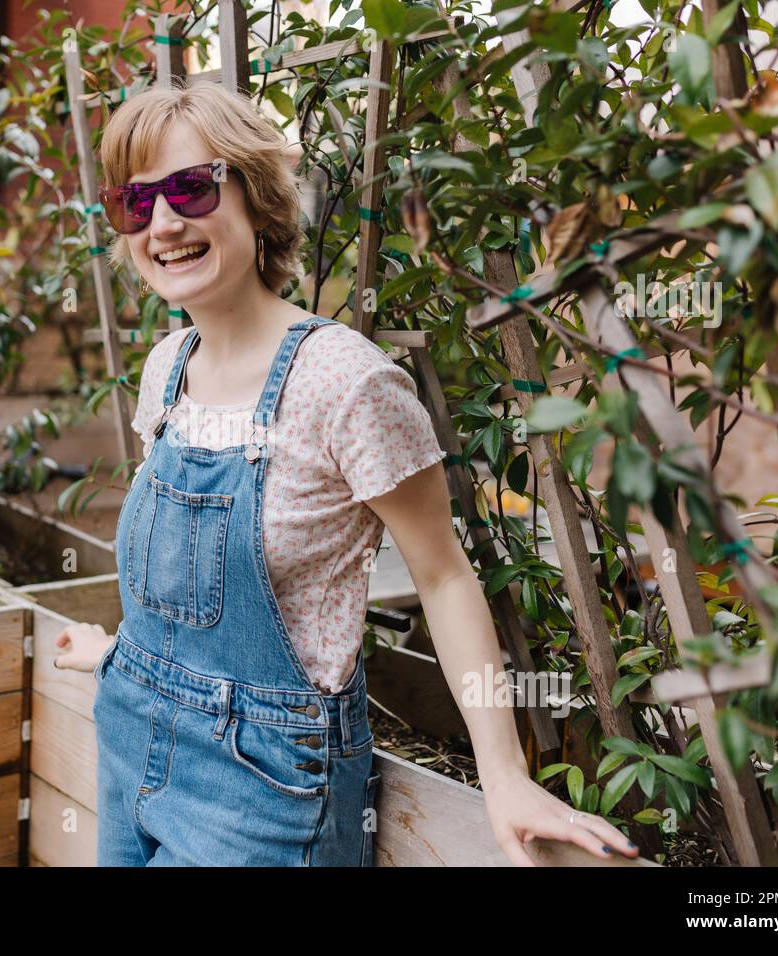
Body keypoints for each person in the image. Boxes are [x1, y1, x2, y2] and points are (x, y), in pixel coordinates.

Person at [54, 81, 638, 867]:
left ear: (257, 201)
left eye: (191, 188)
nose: (163, 223)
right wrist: (123, 653)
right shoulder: (166, 369)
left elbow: (445, 576)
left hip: (261, 790)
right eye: (136, 201)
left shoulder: (345, 381)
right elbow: (185, 576)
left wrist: (503, 774)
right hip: (131, 740)